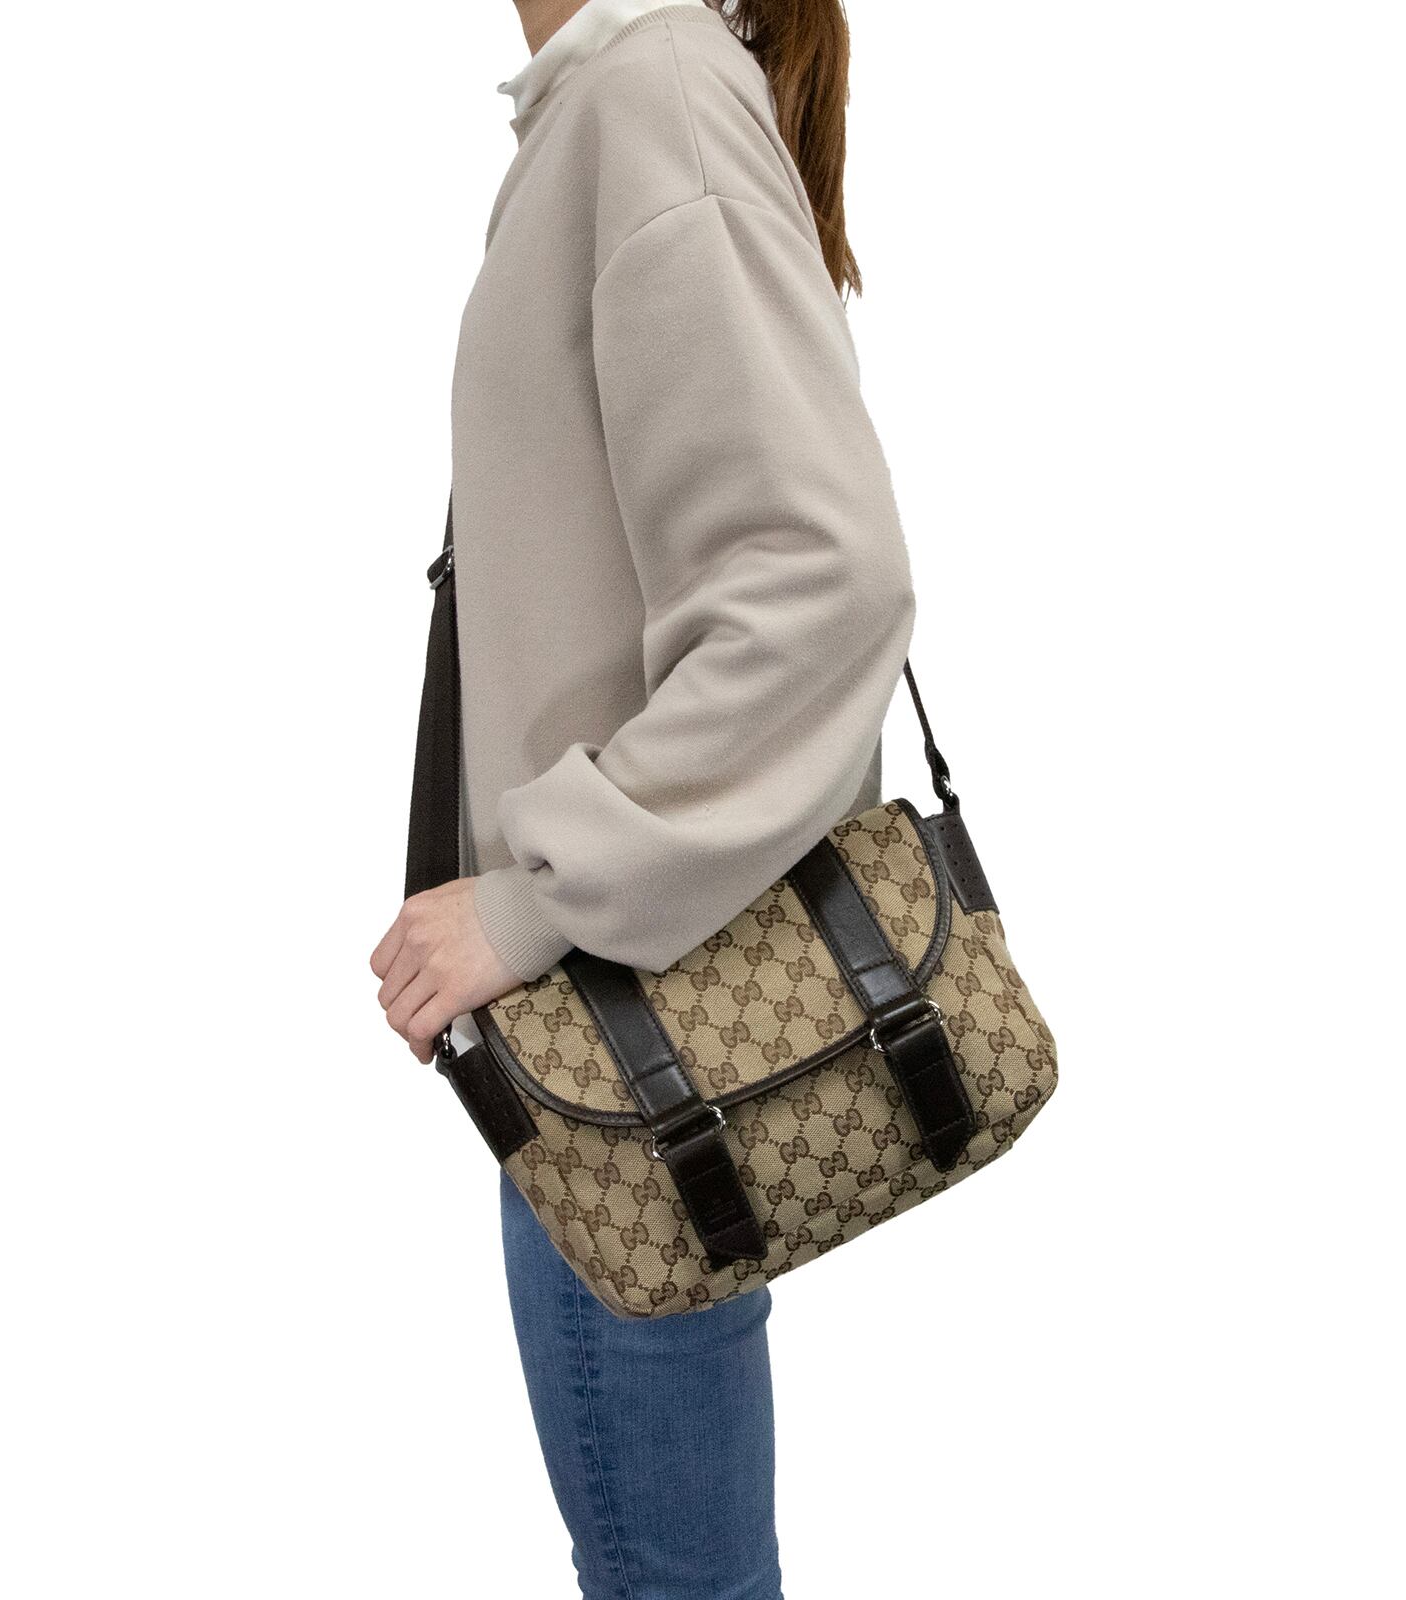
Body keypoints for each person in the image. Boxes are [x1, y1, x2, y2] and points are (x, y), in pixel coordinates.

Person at [370, 2, 916, 1593]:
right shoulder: (611, 100)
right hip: (610, 1048)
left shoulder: (654, 92)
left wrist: (541, 896)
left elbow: (824, 580)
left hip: (629, 1047)